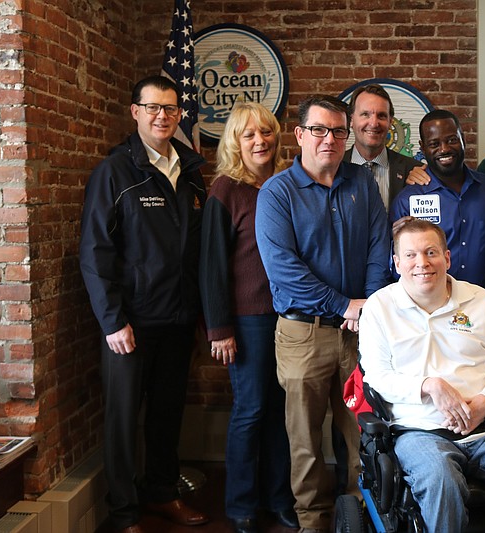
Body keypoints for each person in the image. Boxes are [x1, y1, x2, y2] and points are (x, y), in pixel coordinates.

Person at [360, 219, 485, 533]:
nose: (422, 263)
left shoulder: (481, 301)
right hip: (418, 431)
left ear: (447, 258)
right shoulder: (380, 308)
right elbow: (377, 377)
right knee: (441, 479)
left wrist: (484, 404)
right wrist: (428, 386)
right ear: (396, 264)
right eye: (410, 255)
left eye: (431, 252)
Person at [255, 95, 391, 533]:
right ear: (300, 134)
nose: (329, 139)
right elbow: (284, 270)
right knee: (305, 442)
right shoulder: (277, 192)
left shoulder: (361, 183)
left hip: (359, 333)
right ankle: (312, 522)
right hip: (303, 334)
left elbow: (377, 247)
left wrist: (366, 304)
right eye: (319, 129)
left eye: (337, 130)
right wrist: (343, 304)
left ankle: (359, 518)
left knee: (364, 435)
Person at [79, 75, 209, 533]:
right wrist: (113, 320)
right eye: (152, 107)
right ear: (135, 112)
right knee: (121, 421)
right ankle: (125, 513)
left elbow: (195, 252)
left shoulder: (191, 173)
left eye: (170, 109)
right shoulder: (114, 172)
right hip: (129, 325)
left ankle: (161, 493)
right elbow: (95, 252)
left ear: (179, 115)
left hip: (177, 320)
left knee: (166, 415)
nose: (162, 116)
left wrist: (197, 314)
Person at [199, 103, 297, 533]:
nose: (260, 141)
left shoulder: (285, 185)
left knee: (282, 411)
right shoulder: (225, 190)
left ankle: (278, 499)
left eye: (267, 133)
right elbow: (211, 266)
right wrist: (219, 329)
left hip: (288, 317)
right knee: (252, 409)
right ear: (235, 143)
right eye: (249, 135)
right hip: (248, 319)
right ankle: (240, 506)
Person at [390, 109, 485, 288]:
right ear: (423, 148)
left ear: (463, 139)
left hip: (481, 301)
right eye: (434, 143)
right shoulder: (407, 200)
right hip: (430, 304)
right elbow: (396, 268)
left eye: (452, 140)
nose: (444, 149)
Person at [343, 83, 421, 210]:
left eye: (381, 116)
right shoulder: (333, 168)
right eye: (365, 114)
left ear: (390, 122)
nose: (374, 123)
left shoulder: (413, 170)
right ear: (351, 120)